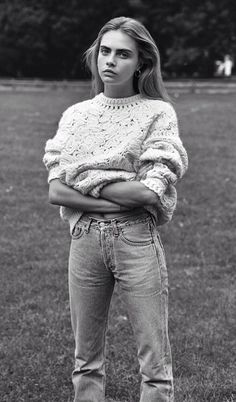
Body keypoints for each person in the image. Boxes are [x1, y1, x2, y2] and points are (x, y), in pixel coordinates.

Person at [43, 16, 188, 402]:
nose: (111, 60)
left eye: (123, 54)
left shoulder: (158, 113)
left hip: (136, 238)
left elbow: (148, 194)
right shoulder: (75, 115)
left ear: (140, 63)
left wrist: (87, 178)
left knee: (155, 367)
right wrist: (114, 191)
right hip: (85, 239)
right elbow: (58, 190)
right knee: (85, 362)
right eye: (105, 51)